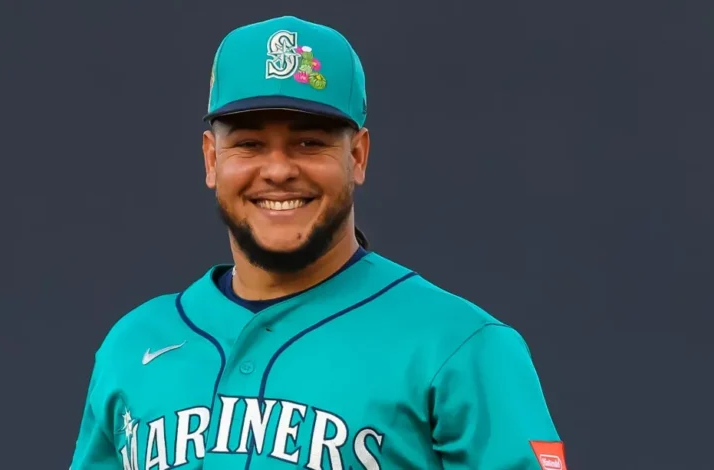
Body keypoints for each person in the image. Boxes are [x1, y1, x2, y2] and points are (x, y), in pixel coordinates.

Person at [70, 15, 568, 470]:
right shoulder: (133, 345)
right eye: (249, 144)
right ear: (211, 160)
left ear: (358, 156)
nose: (278, 169)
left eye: (309, 142)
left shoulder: (459, 346)